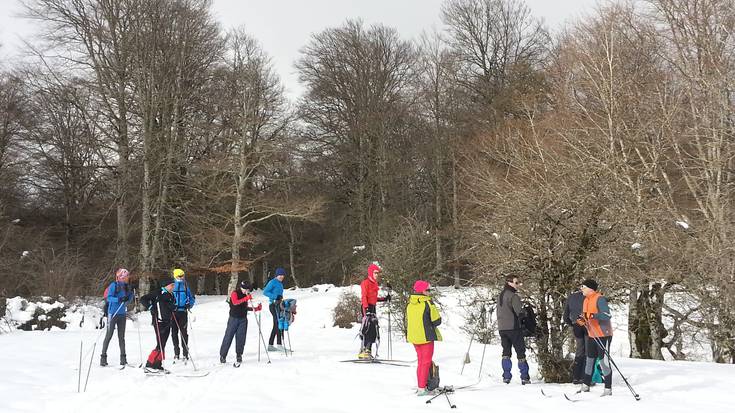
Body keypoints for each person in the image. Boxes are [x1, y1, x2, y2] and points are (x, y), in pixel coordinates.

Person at [577, 279, 613, 396]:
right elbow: (586, 316)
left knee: (603, 361)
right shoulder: (585, 300)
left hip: (603, 335)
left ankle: (608, 389)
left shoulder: (599, 298)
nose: (581, 288)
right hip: (592, 334)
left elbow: (607, 315)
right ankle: (585, 386)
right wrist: (583, 320)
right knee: (590, 360)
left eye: (583, 286)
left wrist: (592, 315)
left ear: (590, 288)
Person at [406, 280, 442, 396]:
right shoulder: (428, 303)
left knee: (421, 362)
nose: (429, 292)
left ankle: (420, 385)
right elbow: (436, 321)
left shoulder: (410, 304)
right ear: (422, 291)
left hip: (414, 337)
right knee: (425, 362)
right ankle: (422, 388)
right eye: (427, 290)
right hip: (426, 337)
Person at [496, 274, 530, 384]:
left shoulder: (500, 295)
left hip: (502, 328)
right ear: (509, 283)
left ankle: (506, 376)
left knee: (506, 352)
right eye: (516, 282)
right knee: (520, 352)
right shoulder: (513, 296)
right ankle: (524, 377)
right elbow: (519, 313)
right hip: (514, 328)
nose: (518, 285)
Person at [220, 280, 262, 364]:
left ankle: (239, 354)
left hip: (243, 319)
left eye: (247, 290)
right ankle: (223, 355)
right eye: (244, 289)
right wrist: (246, 298)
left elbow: (244, 307)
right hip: (233, 319)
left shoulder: (246, 295)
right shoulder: (235, 293)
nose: (246, 291)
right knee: (228, 336)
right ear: (241, 287)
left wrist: (256, 308)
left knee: (241, 338)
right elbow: (235, 303)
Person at [100, 268, 134, 366]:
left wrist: (131, 294)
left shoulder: (127, 286)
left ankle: (123, 359)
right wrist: (119, 299)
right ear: (121, 277)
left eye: (128, 276)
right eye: (126, 276)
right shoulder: (114, 285)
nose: (127, 278)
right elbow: (109, 298)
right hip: (112, 313)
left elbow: (127, 302)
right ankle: (103, 357)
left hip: (122, 314)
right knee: (109, 335)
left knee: (121, 337)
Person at [358, 261, 390, 359]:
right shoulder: (365, 283)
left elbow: (374, 298)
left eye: (378, 273)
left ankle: (368, 350)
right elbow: (364, 297)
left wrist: (384, 299)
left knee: (374, 329)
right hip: (366, 307)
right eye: (375, 273)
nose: (377, 275)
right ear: (371, 273)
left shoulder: (374, 283)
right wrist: (366, 309)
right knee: (367, 328)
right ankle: (363, 350)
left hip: (372, 307)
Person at [141, 282, 176, 371]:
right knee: (160, 344)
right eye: (171, 285)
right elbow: (143, 299)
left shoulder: (171, 294)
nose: (173, 287)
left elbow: (172, 306)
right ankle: (150, 363)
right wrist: (150, 307)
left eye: (173, 285)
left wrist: (173, 307)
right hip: (159, 322)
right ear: (166, 285)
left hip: (168, 322)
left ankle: (158, 364)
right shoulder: (157, 293)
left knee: (162, 344)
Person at [170, 268, 196, 360]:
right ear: (175, 276)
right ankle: (176, 352)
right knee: (174, 333)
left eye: (182, 276)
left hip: (183, 312)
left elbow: (192, 297)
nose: (181, 278)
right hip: (173, 313)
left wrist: (190, 304)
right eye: (179, 276)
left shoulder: (185, 285)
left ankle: (185, 353)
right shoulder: (172, 285)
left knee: (184, 333)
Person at [563, 286, 587, 384]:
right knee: (588, 350)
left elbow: (565, 315)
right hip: (586, 324)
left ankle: (576, 376)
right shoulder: (587, 297)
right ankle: (584, 376)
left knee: (579, 350)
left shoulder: (571, 297)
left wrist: (572, 323)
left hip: (576, 325)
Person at [263, 267, 286, 351]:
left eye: (283, 275)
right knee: (278, 323)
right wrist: (275, 297)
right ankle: (279, 345)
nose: (281, 276)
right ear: (276, 275)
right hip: (273, 305)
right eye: (280, 275)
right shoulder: (272, 282)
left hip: (279, 305)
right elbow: (265, 292)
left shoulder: (280, 284)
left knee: (277, 324)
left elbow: (279, 294)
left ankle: (270, 345)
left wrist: (281, 300)